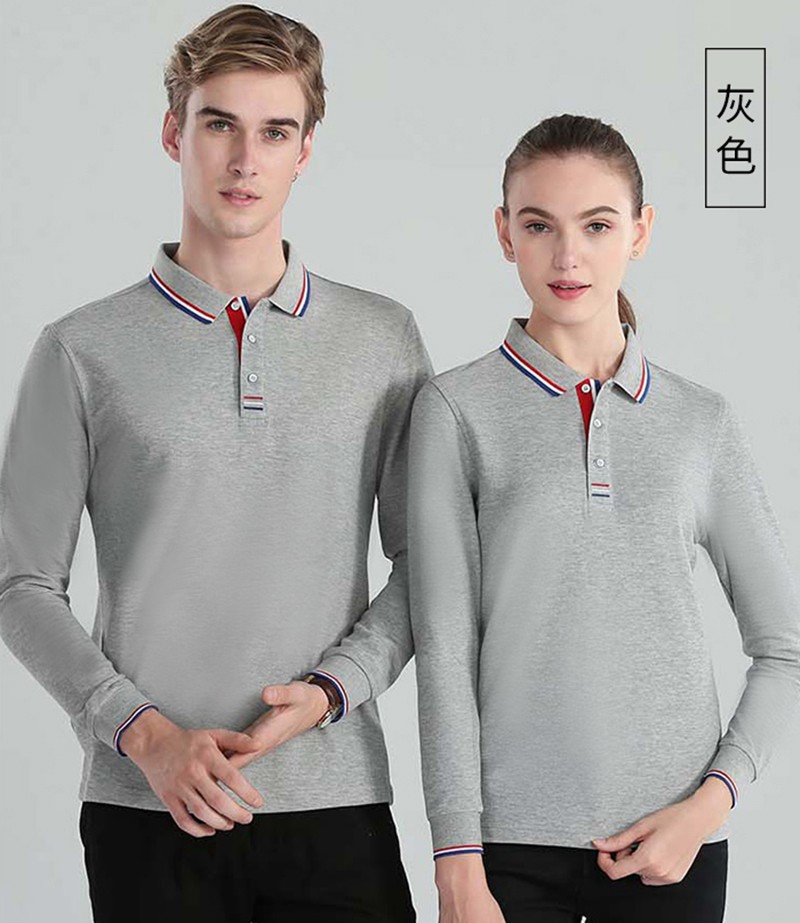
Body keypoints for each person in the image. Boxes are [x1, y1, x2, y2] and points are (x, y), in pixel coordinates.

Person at [0, 5, 431, 921]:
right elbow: (20, 581)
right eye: (219, 125)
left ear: (305, 150)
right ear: (174, 132)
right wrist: (144, 734)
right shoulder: (81, 350)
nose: (245, 160)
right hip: (147, 809)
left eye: (274, 132)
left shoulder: (382, 339)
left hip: (336, 803)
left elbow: (431, 562)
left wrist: (332, 691)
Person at [408, 113, 800, 923]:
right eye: (538, 225)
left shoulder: (701, 421)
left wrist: (707, 807)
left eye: (596, 225)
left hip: (672, 850)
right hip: (506, 852)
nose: (568, 256)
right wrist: (455, 860)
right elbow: (444, 651)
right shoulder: (455, 409)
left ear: (640, 232)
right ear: (503, 233)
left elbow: (786, 648)